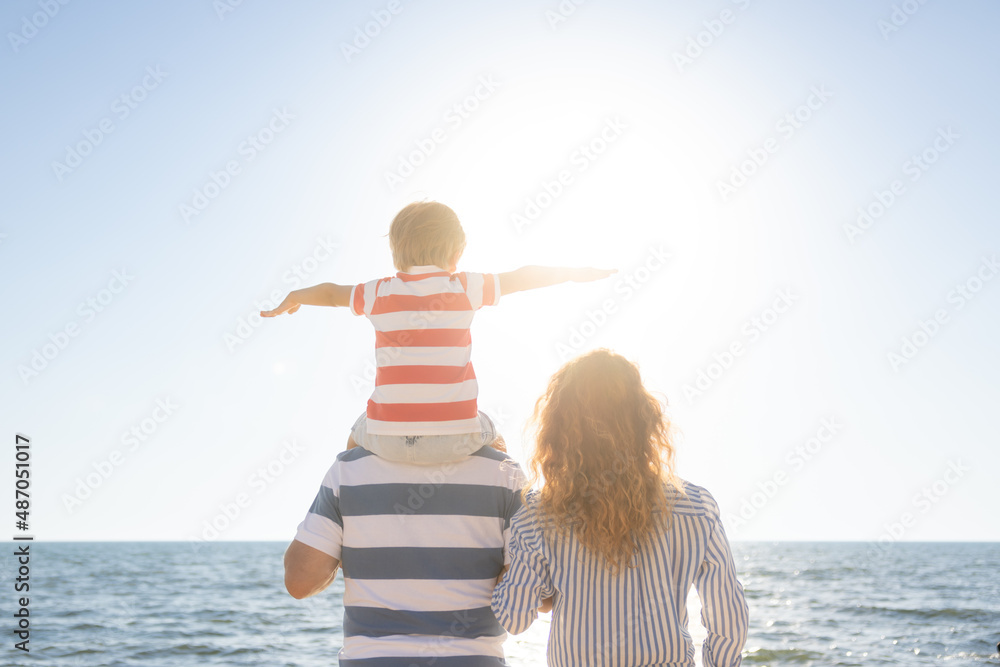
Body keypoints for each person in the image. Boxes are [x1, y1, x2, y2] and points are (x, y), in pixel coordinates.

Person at [262, 200, 614, 463]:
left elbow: (329, 292)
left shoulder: (377, 292)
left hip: (387, 437)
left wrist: (294, 297)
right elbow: (525, 276)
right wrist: (576, 272)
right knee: (497, 439)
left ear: (396, 253)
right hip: (457, 436)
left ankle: (351, 493)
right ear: (457, 252)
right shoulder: (464, 287)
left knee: (354, 440)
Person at [491, 349, 749, 666]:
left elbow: (513, 618)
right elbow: (729, 621)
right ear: (645, 421)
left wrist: (507, 571)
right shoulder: (695, 507)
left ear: (557, 430)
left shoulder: (540, 513)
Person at [284, 436, 525, 665]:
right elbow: (526, 600)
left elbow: (300, 581)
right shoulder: (504, 471)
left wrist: (348, 549)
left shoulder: (348, 469)